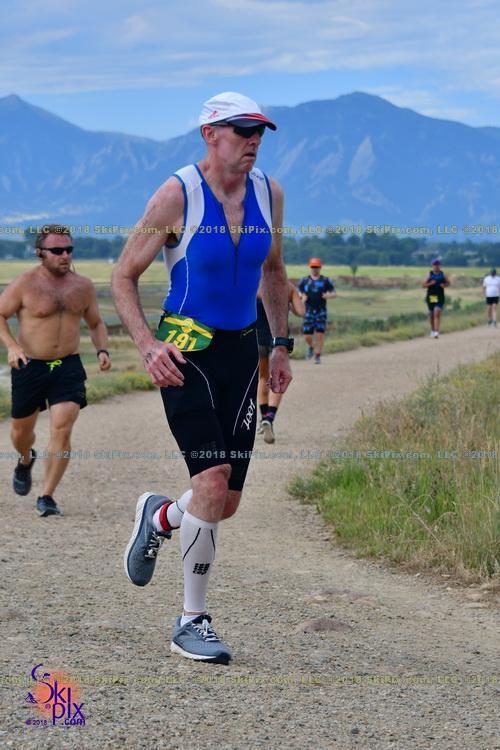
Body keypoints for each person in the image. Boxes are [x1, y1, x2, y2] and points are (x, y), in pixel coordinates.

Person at [111, 92, 292, 665]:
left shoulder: (269, 192)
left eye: (259, 131)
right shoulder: (178, 194)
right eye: (242, 130)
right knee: (211, 482)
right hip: (185, 350)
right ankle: (191, 621)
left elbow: (274, 270)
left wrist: (280, 345)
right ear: (210, 134)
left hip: (241, 354)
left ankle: (161, 515)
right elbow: (123, 275)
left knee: (225, 502)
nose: (253, 140)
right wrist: (148, 345)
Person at [0, 224, 111, 517]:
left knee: (62, 426)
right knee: (20, 433)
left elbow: (96, 323)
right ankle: (26, 459)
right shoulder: (24, 284)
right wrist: (12, 346)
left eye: (68, 249)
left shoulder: (82, 286)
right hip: (29, 365)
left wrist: (102, 349)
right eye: (57, 250)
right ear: (40, 252)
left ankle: (47, 495)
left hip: (67, 365)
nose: (65, 255)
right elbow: (0, 314)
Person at [256, 280, 304, 443]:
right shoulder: (288, 287)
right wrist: (295, 301)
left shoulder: (255, 284)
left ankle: (264, 418)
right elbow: (301, 311)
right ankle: (269, 418)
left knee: (262, 378)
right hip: (279, 341)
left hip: (258, 338)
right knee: (278, 378)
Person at [298, 257, 336, 364]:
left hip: (321, 311)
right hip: (308, 311)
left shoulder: (325, 280)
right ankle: (311, 346)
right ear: (310, 267)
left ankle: (317, 355)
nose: (315, 269)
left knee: (320, 335)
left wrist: (328, 295)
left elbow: (334, 293)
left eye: (317, 267)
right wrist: (301, 296)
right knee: (307, 335)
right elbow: (298, 292)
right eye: (313, 267)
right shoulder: (304, 281)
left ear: (320, 267)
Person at [422, 258, 450, 338]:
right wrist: (431, 283)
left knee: (436, 313)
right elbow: (423, 285)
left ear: (439, 266)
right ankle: (433, 330)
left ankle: (436, 332)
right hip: (431, 296)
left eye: (437, 265)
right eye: (435, 265)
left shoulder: (443, 274)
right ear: (432, 266)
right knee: (431, 314)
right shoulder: (429, 274)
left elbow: (448, 283)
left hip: (440, 296)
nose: (436, 266)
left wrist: (444, 285)